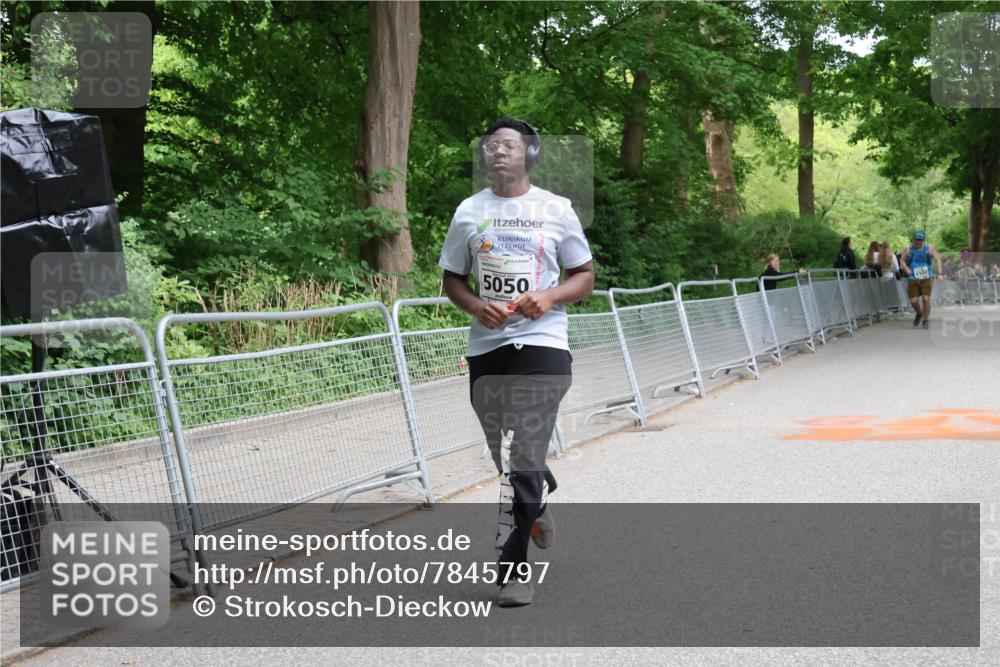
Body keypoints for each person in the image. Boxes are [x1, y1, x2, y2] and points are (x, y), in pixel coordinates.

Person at [438, 117, 595, 607]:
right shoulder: (468, 211)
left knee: (523, 455)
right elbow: (452, 280)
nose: (497, 151)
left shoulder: (556, 208)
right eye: (490, 145)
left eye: (508, 145)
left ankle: (513, 570)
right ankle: (538, 496)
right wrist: (474, 306)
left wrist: (549, 297)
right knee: (504, 448)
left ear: (529, 153)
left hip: (545, 343)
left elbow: (584, 276)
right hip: (488, 348)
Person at [899, 230, 943, 329]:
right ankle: (919, 313)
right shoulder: (908, 248)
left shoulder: (929, 248)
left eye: (920, 240)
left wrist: (940, 273)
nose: (917, 242)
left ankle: (925, 320)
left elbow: (937, 259)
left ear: (923, 240)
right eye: (916, 239)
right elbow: (901, 260)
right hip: (913, 277)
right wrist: (906, 269)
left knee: (926, 299)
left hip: (926, 276)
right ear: (913, 239)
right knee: (914, 301)